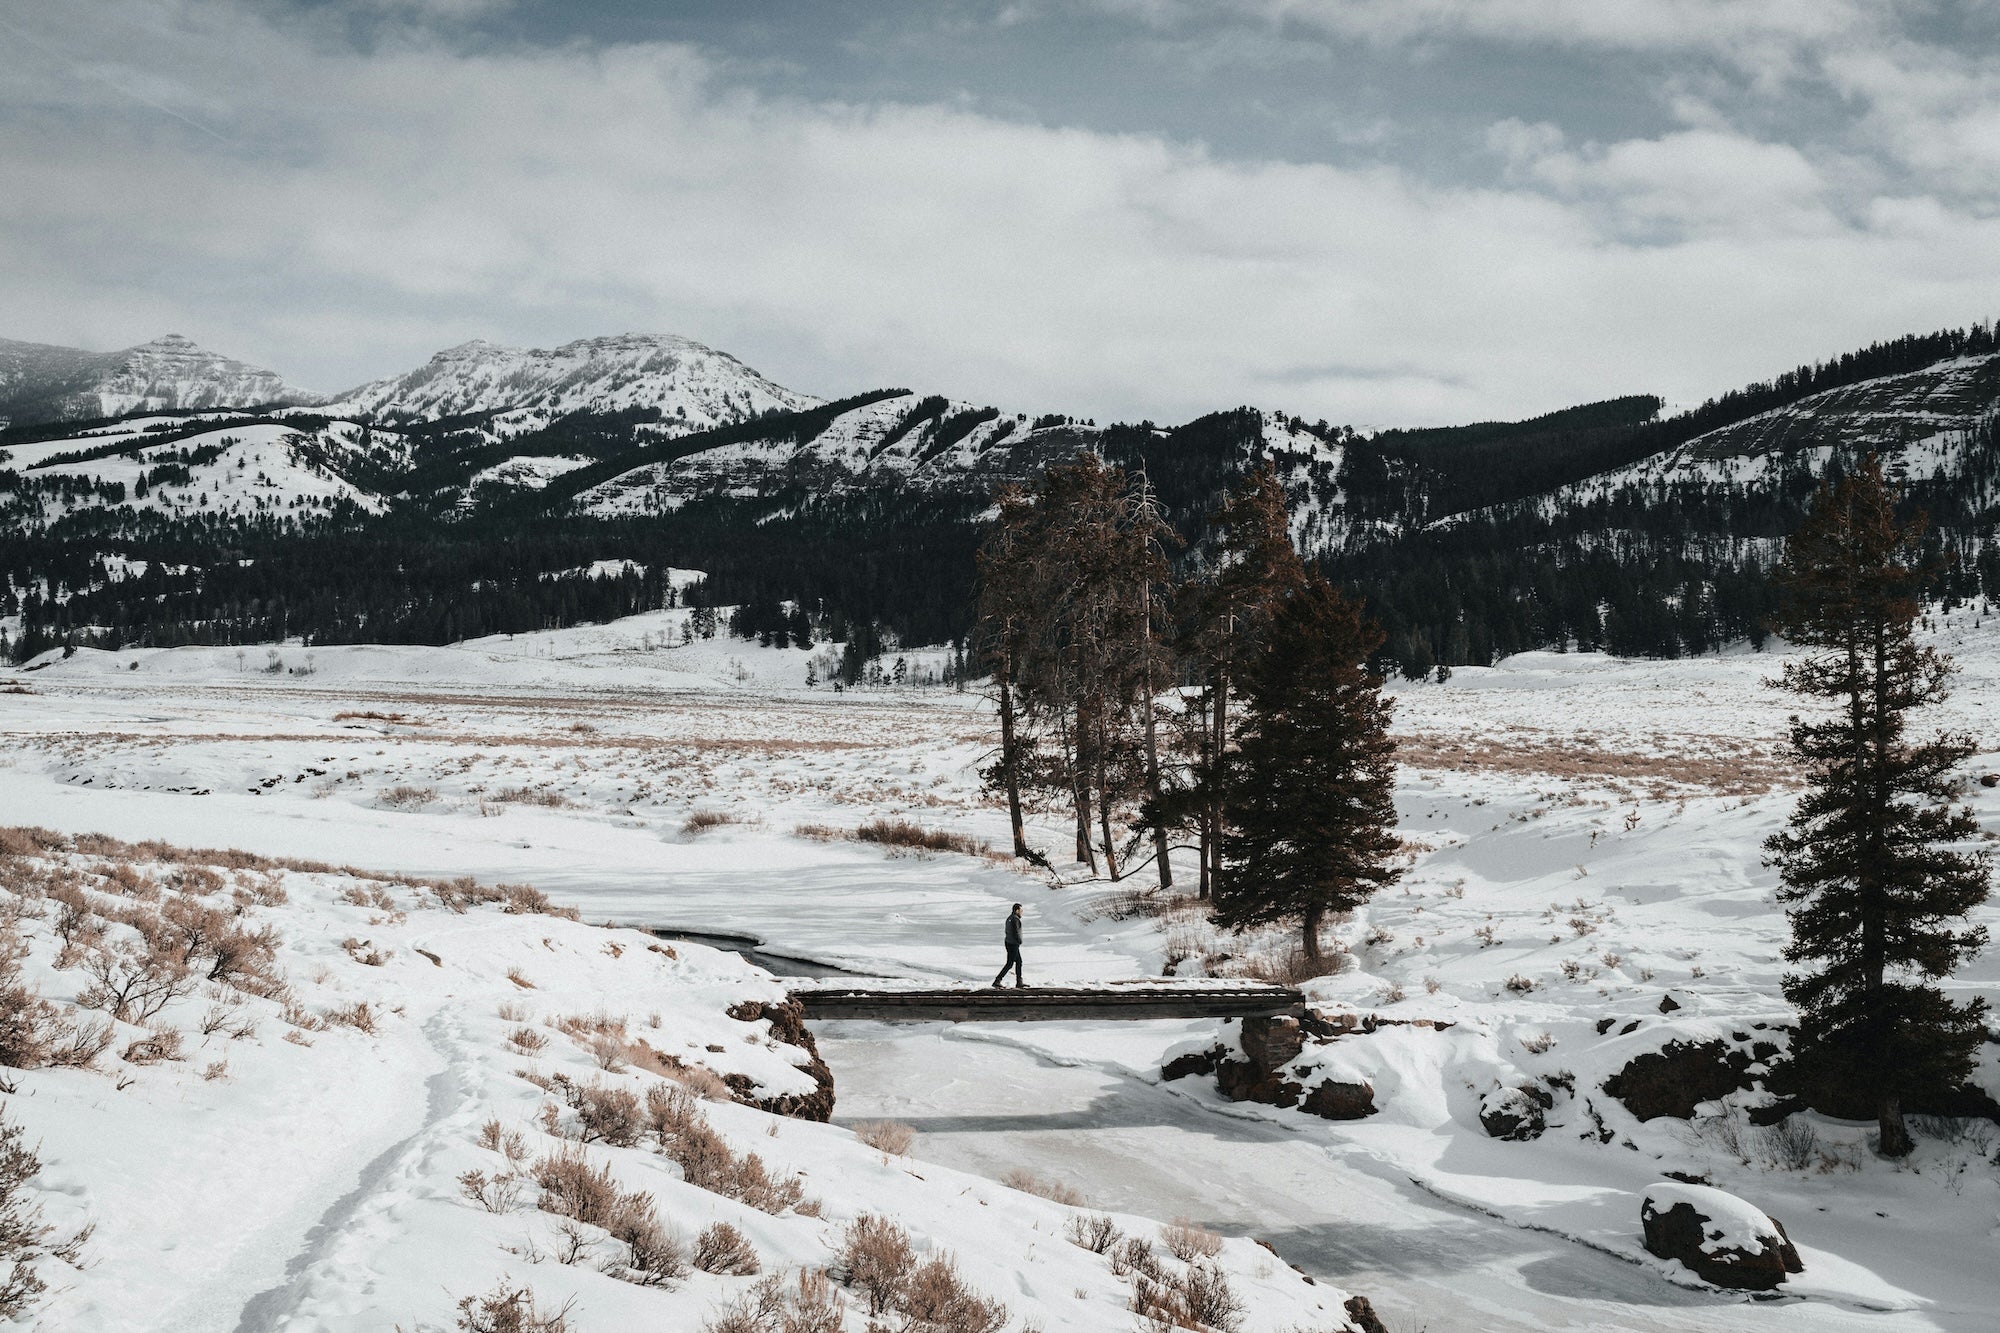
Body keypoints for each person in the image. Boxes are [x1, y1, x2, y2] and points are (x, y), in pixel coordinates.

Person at [992, 902, 1025, 988]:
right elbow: (1016, 932)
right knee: (1010, 963)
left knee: (1019, 962)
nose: (1022, 912)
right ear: (1017, 910)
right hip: (1013, 944)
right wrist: (1019, 941)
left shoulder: (1009, 918)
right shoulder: (1015, 919)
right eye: (1021, 910)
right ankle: (998, 980)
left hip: (1009, 942)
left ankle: (1019, 981)